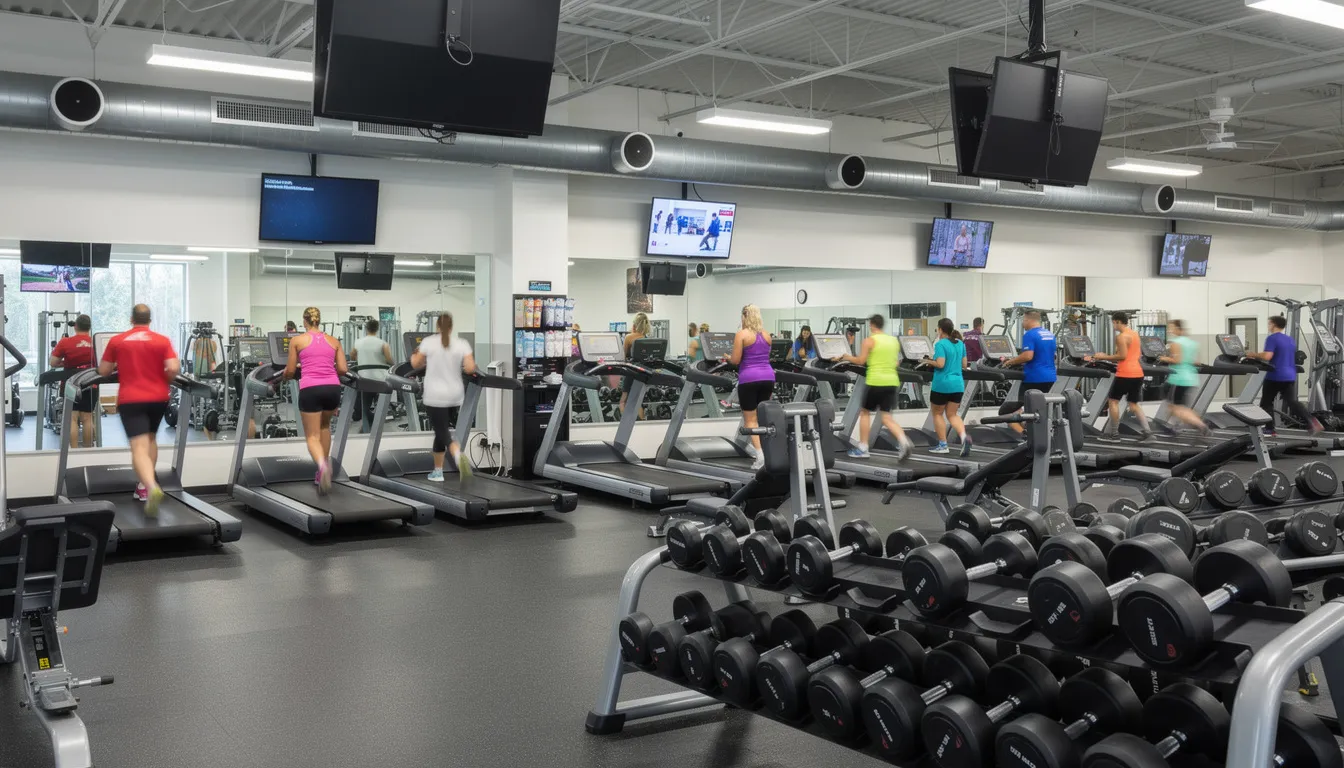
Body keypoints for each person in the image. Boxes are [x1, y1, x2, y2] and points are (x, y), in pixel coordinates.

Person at [97, 305, 179, 517]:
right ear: (149, 319)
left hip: (132, 398)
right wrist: (164, 381)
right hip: (159, 397)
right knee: (151, 439)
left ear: (131, 318)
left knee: (138, 446)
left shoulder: (118, 340)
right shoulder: (162, 340)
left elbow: (104, 370)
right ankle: (143, 486)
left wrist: (119, 367)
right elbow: (173, 368)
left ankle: (151, 487)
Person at [283, 307, 349, 494]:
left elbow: (289, 370)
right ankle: (323, 470)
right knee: (324, 427)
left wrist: (287, 376)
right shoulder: (333, 341)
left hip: (310, 388)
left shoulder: (297, 340)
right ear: (319, 320)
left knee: (312, 436)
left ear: (304, 321)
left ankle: (322, 467)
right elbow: (343, 369)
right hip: (333, 389)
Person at [834, 314, 912, 461]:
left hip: (876, 381)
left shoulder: (869, 341)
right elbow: (896, 362)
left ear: (871, 325)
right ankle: (903, 441)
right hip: (891, 382)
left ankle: (863, 447)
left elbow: (861, 361)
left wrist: (846, 357)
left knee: (864, 413)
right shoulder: (892, 341)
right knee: (886, 417)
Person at [411, 312, 477, 480]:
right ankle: (438, 471)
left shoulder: (428, 342)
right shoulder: (462, 344)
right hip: (455, 395)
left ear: (437, 326)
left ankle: (457, 454)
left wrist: (414, 355)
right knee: (440, 431)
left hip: (435, 394)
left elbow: (416, 363)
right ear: (452, 327)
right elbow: (470, 369)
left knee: (442, 431)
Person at [1249, 315, 1322, 435]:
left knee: (1266, 403)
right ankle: (1312, 421)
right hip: (1289, 375)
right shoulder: (1290, 339)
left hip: (1275, 375)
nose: (1268, 326)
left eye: (1269, 323)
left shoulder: (1272, 338)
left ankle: (1269, 428)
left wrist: (1253, 354)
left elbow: (1268, 356)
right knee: (1292, 402)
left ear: (1273, 324)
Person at [1086, 311, 1152, 440]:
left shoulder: (1121, 337)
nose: (1113, 326)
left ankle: (1113, 434)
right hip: (1138, 373)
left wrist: (1102, 356)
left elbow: (1122, 356)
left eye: (1113, 323)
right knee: (1133, 404)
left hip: (1125, 373)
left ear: (1117, 321)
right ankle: (1148, 432)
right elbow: (1130, 354)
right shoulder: (1135, 334)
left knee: (1113, 401)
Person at [726, 305, 775, 471]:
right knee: (762, 418)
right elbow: (764, 357)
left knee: (750, 420)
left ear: (744, 316)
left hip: (749, 379)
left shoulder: (742, 334)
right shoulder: (767, 335)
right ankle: (768, 453)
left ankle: (760, 456)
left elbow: (736, 360)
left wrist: (726, 357)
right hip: (768, 378)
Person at [1002, 310, 1056, 435]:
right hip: (1050, 377)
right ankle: (1042, 435)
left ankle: (1026, 436)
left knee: (1020, 410)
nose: (1022, 324)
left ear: (1028, 320)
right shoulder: (1049, 334)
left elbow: (1027, 356)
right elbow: (1052, 356)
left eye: (1023, 321)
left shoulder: (1030, 335)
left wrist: (1011, 362)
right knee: (1041, 409)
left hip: (1034, 378)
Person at [925, 318, 971, 456]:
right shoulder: (960, 344)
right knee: (952, 414)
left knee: (937, 413)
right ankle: (964, 437)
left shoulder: (940, 344)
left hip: (942, 384)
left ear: (940, 329)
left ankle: (943, 445)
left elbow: (940, 364)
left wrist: (927, 361)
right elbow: (964, 365)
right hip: (958, 384)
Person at [1157, 319, 1212, 435]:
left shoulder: (1176, 343)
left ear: (1178, 329)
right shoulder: (1192, 343)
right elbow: (1196, 362)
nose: (1170, 330)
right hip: (1191, 378)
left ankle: (1200, 424)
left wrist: (1163, 358)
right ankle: (1177, 425)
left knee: (1175, 407)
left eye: (1171, 328)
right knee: (1180, 406)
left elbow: (1177, 360)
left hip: (1178, 379)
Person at [50, 314, 96, 449]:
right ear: (89, 327)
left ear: (75, 327)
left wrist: (65, 363)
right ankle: (88, 451)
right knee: (88, 418)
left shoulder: (65, 342)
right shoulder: (95, 342)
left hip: (71, 384)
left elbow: (53, 362)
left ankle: (74, 452)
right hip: (91, 383)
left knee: (72, 419)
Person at [350, 319, 393, 434]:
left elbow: (352, 356)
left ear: (366, 328)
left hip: (364, 379)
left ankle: (368, 423)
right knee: (379, 404)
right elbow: (389, 360)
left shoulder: (358, 342)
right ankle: (374, 422)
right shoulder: (383, 343)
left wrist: (362, 359)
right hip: (380, 379)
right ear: (377, 329)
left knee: (364, 405)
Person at [620, 313, 651, 418]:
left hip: (630, 372)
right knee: (638, 402)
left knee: (623, 402)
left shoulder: (629, 337)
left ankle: (626, 425)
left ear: (634, 325)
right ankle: (641, 425)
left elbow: (623, 358)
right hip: (642, 373)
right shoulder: (646, 338)